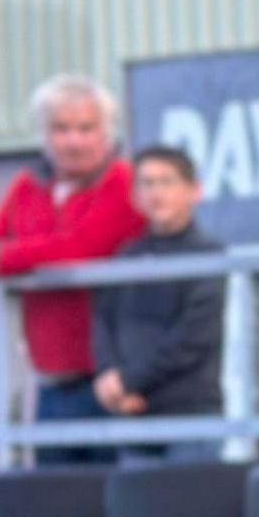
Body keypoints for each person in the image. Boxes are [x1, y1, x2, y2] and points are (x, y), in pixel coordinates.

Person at [0, 75, 145, 464]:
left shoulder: (125, 182)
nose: (73, 141)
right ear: (43, 134)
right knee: (53, 506)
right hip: (51, 381)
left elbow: (83, 248)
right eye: (61, 129)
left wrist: (6, 259)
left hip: (116, 380)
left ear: (106, 133)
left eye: (86, 128)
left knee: (114, 504)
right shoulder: (28, 186)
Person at [92, 146, 228, 459]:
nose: (156, 193)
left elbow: (193, 338)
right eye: (147, 183)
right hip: (134, 421)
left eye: (166, 182)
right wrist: (109, 377)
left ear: (194, 191)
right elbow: (104, 320)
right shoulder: (127, 256)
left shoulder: (209, 255)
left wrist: (129, 382)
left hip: (191, 417)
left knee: (191, 508)